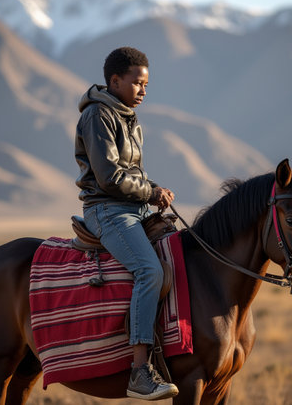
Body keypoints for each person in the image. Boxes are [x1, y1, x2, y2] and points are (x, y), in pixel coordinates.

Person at [75, 47, 179, 401]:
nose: (143, 91)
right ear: (115, 80)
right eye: (137, 83)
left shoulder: (128, 118)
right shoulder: (98, 116)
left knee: (180, 251)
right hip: (108, 209)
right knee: (150, 271)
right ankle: (138, 371)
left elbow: (132, 174)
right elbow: (108, 177)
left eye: (146, 85)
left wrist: (153, 194)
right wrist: (151, 192)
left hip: (133, 208)